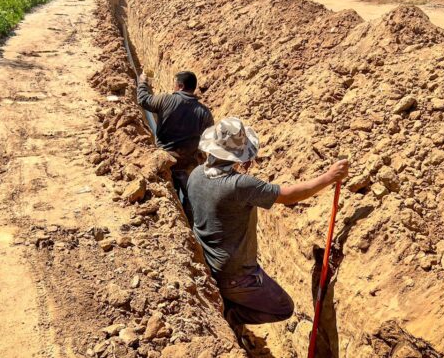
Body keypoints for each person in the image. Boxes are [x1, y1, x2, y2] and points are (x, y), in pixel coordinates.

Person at [187, 117, 349, 342]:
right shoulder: (239, 185)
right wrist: (328, 177)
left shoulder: (195, 174)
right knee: (283, 308)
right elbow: (289, 195)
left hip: (208, 262)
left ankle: (228, 307)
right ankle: (230, 315)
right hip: (236, 274)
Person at [137, 71, 214, 223]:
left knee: (167, 198)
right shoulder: (204, 113)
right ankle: (192, 227)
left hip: (165, 163)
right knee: (192, 200)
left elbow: (143, 100)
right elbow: (210, 139)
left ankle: (180, 226)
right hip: (189, 165)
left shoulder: (166, 100)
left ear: (180, 86)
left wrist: (142, 82)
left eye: (175, 83)